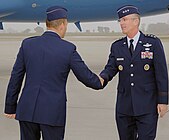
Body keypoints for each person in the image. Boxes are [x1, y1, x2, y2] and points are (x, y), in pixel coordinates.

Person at [4, 6, 103, 140]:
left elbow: (16, 77)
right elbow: (86, 77)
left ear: (47, 24)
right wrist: (101, 81)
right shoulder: (68, 49)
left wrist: (10, 107)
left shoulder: (27, 44)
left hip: (27, 110)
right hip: (51, 113)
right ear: (63, 24)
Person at [100, 5, 169, 140]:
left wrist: (163, 101)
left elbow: (162, 74)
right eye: (120, 20)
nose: (121, 23)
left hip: (147, 106)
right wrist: (101, 78)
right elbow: (110, 68)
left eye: (125, 20)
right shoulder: (117, 46)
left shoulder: (153, 43)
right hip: (124, 107)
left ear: (135, 21)